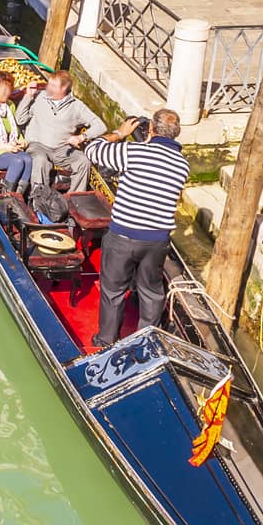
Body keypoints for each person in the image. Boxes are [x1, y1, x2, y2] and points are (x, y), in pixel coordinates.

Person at [84, 108, 190, 349]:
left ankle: (106, 340)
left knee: (113, 290)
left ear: (151, 130)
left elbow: (92, 151)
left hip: (124, 235)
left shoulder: (134, 152)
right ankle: (145, 342)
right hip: (157, 241)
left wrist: (119, 133)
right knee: (151, 291)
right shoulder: (183, 165)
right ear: (176, 134)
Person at [15, 70, 106, 192]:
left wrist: (81, 137)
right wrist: (28, 96)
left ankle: (74, 199)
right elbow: (20, 120)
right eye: (49, 84)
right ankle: (40, 199)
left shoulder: (77, 106)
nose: (48, 88)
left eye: (53, 86)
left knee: (83, 161)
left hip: (62, 149)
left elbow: (100, 126)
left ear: (64, 88)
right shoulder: (39, 97)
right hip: (38, 145)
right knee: (40, 160)